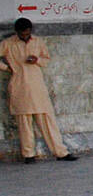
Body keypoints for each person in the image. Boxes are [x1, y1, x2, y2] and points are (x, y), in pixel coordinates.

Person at [1, 18, 76, 163]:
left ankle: (60, 152)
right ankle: (29, 155)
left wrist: (37, 60)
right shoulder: (8, 43)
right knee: (24, 123)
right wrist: (6, 68)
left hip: (37, 86)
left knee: (47, 121)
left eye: (27, 33)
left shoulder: (37, 41)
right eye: (22, 34)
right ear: (17, 33)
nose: (25, 36)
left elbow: (46, 59)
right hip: (19, 85)